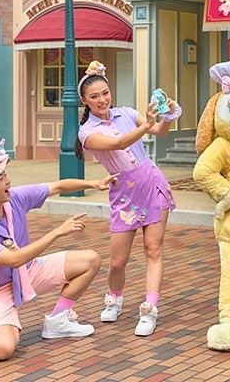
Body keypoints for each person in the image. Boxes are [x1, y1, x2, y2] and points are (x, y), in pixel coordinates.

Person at [0, 140, 114, 361]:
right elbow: (13, 259)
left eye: (6, 175)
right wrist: (57, 232)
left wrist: (94, 183)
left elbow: (57, 186)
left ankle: (58, 321)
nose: (8, 181)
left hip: (28, 271)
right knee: (3, 350)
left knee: (90, 260)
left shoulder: (15, 198)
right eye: (1, 178)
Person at [75, 61, 181, 337]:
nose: (102, 100)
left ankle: (150, 309)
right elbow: (118, 144)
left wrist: (166, 114)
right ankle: (114, 296)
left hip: (152, 183)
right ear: (84, 100)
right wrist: (147, 123)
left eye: (106, 93)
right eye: (95, 96)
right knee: (117, 262)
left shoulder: (126, 113)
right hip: (124, 194)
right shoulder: (87, 132)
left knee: (153, 249)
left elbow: (159, 132)